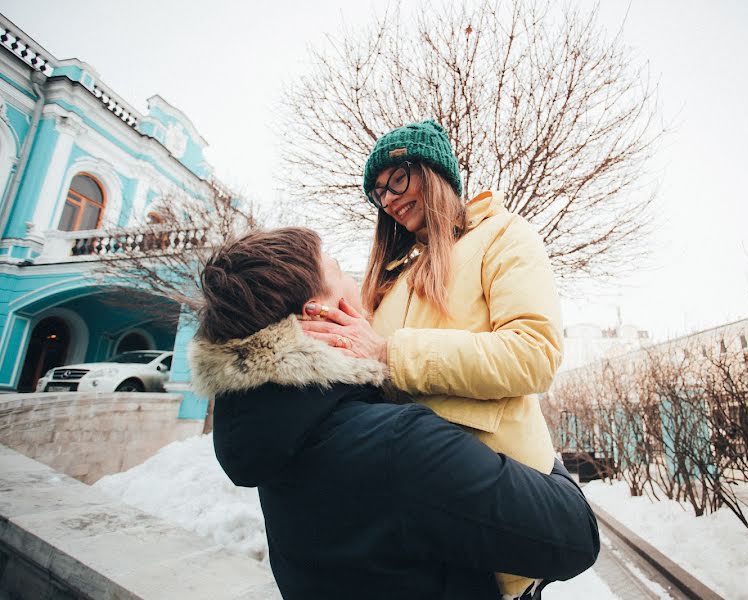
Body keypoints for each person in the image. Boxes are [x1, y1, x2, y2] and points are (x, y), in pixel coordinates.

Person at [189, 227, 599, 600]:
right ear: (321, 311)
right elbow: (575, 535)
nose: (357, 282)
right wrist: (533, 438)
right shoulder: (400, 447)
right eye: (339, 270)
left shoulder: (271, 433)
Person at [299, 119, 564, 598]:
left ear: (434, 171)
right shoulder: (392, 276)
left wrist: (390, 353)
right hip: (419, 525)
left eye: (398, 178)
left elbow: (534, 354)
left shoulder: (502, 235)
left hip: (496, 503)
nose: (390, 199)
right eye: (379, 192)